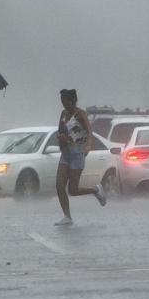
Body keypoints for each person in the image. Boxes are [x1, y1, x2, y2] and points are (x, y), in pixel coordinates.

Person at [55, 89, 107, 226]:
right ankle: (67, 217)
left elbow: (90, 131)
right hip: (65, 152)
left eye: (65, 102)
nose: (63, 105)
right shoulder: (63, 114)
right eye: (62, 102)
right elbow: (60, 130)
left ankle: (96, 190)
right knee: (59, 185)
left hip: (77, 153)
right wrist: (60, 138)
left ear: (72, 101)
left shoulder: (80, 114)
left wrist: (88, 145)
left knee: (73, 190)